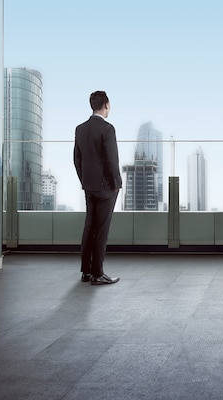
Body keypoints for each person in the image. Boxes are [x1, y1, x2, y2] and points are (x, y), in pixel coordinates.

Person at [74, 90, 122, 285]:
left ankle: (86, 271)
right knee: (101, 230)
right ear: (107, 105)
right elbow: (112, 159)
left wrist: (84, 180)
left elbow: (77, 159)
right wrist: (116, 184)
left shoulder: (80, 128)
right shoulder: (107, 129)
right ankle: (98, 274)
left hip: (89, 186)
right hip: (105, 188)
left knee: (89, 227)